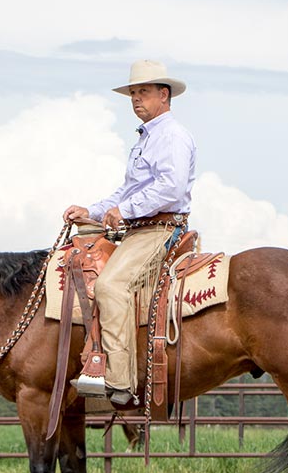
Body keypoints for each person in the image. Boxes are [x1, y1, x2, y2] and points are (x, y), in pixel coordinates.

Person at [63, 60, 197, 405]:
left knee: (111, 285)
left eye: (143, 92)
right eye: (133, 93)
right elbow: (126, 191)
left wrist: (125, 211)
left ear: (163, 95)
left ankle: (119, 382)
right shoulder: (147, 138)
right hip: (140, 228)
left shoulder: (171, 136)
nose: (136, 99)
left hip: (158, 228)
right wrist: (91, 211)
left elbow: (171, 187)